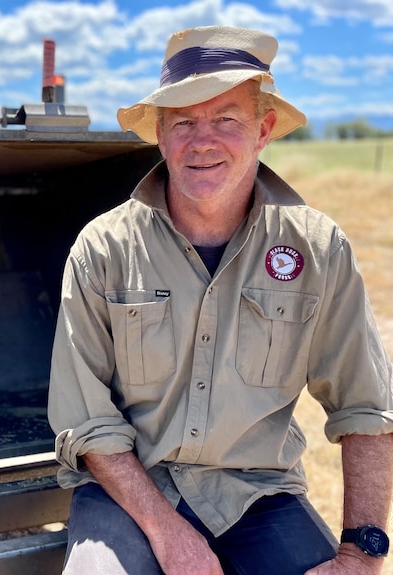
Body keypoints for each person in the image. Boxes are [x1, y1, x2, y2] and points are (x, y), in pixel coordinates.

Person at [47, 25, 393, 575]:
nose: (201, 140)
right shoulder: (104, 248)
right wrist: (167, 534)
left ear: (264, 128)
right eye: (182, 121)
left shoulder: (320, 250)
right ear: (160, 136)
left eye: (226, 119)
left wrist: (361, 552)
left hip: (257, 495)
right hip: (130, 493)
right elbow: (89, 422)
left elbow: (366, 409)